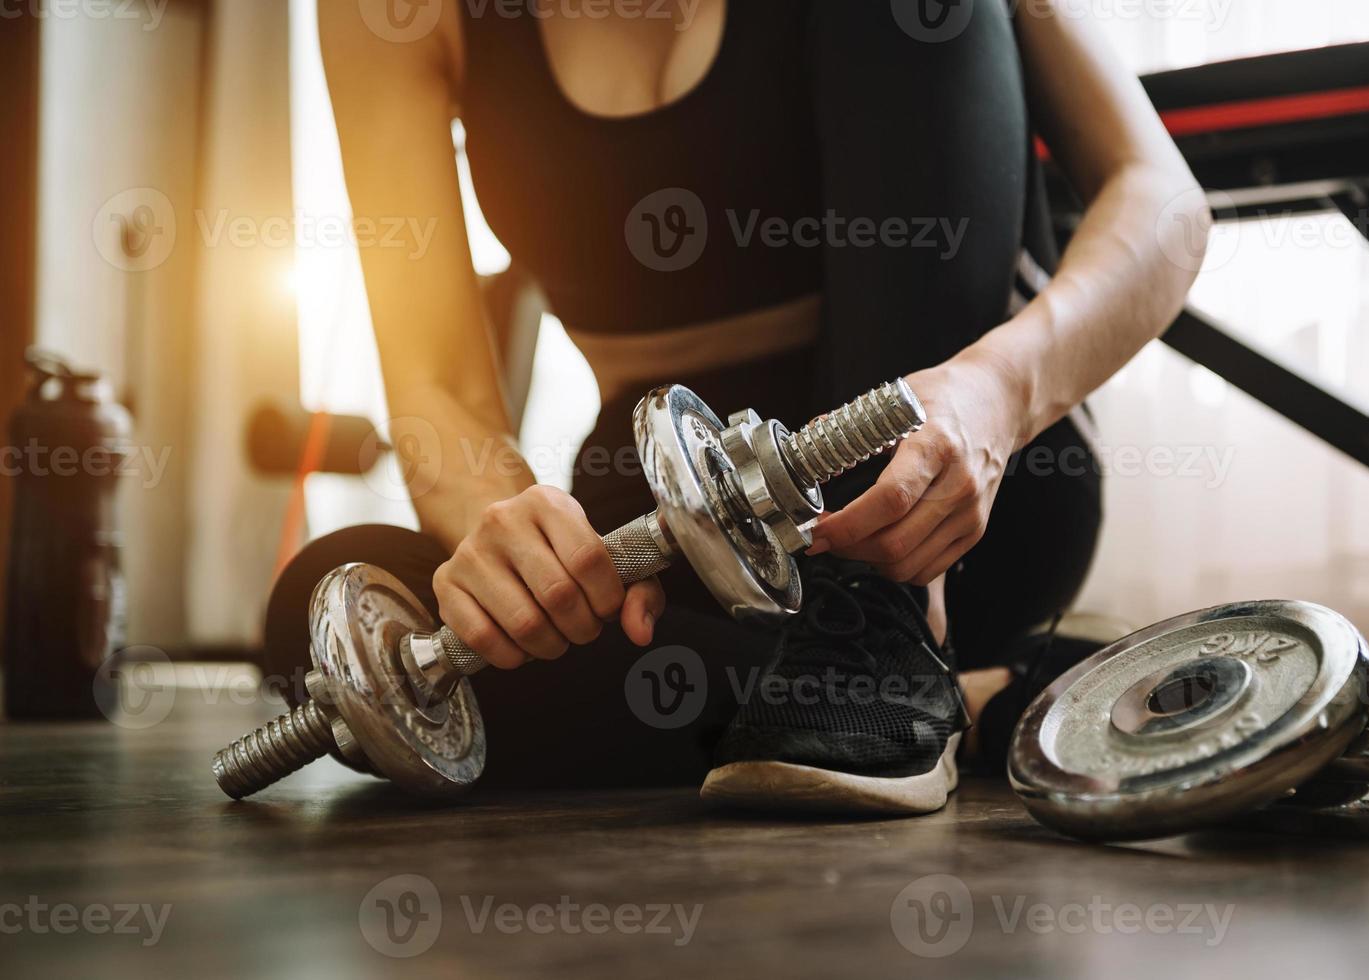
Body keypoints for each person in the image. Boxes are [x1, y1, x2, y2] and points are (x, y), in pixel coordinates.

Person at [269, 0, 1207, 813]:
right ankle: (954, 701)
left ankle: (886, 647)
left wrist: (996, 394)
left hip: (948, 504)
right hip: (667, 551)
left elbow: (1164, 202)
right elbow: (438, 382)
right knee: (335, 621)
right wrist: (495, 531)